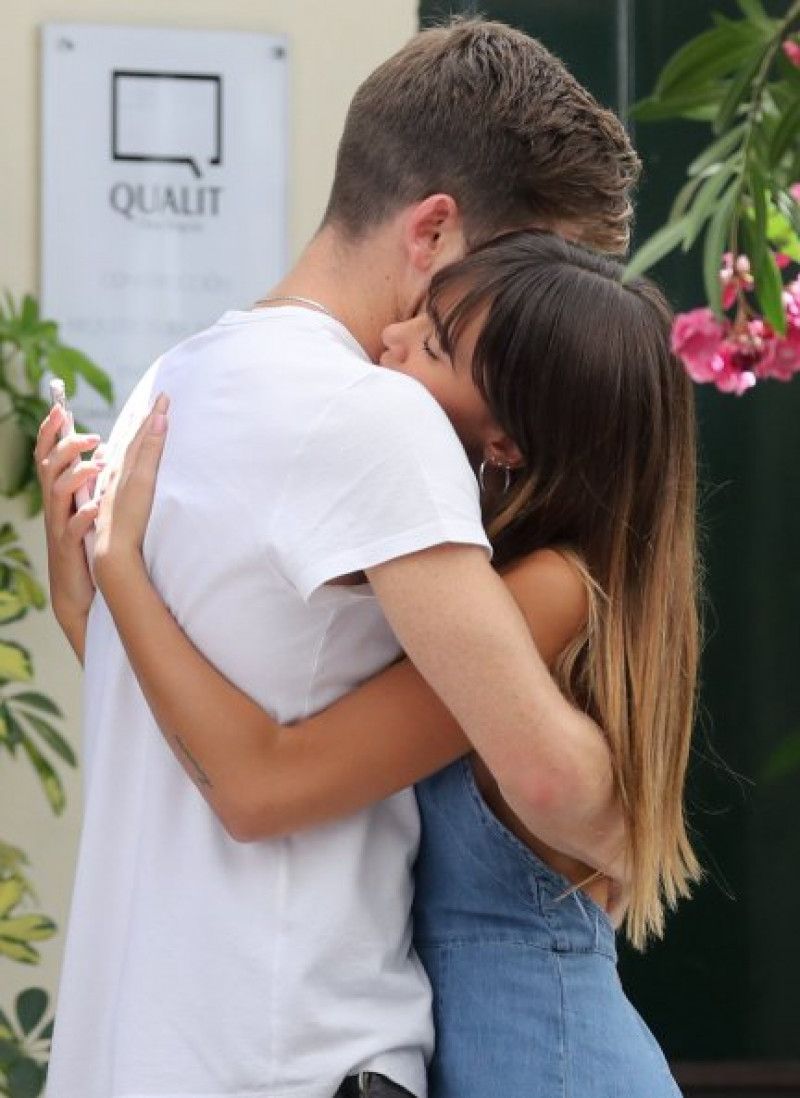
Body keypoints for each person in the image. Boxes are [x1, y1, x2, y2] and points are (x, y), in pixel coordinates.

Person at [37, 19, 643, 1098]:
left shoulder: (165, 386)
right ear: (434, 234)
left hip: (128, 1049)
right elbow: (551, 775)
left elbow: (158, 704)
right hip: (292, 1059)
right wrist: (626, 819)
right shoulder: (378, 420)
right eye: (524, 272)